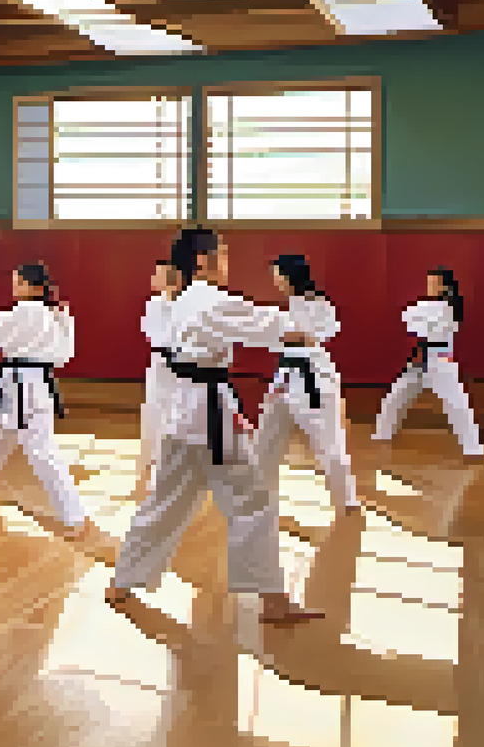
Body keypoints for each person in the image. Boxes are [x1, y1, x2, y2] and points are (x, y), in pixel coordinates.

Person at [106, 229, 323, 625]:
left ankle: (121, 582)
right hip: (209, 417)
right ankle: (272, 600)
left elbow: (252, 323)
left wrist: (290, 331)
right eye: (222, 253)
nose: (226, 261)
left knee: (164, 503)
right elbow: (264, 322)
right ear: (203, 260)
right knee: (253, 503)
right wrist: (304, 330)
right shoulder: (210, 300)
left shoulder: (183, 300)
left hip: (184, 413)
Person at [0, 263, 86, 537]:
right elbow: (66, 355)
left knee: (39, 450)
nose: (15, 287)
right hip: (35, 383)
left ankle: (74, 516)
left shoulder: (23, 311)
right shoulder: (57, 315)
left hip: (19, 384)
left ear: (35, 287)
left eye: (19, 283)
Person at [252, 255, 359, 515]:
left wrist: (290, 336)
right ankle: (260, 496)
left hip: (313, 376)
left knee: (328, 443)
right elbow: (278, 339)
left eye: (278, 274)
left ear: (290, 275)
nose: (275, 280)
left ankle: (347, 500)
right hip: (284, 376)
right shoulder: (285, 309)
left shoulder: (319, 304)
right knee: (266, 440)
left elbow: (319, 335)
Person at [371, 267, 483, 456]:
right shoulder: (430, 306)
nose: (430, 286)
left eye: (434, 283)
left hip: (441, 359)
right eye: (429, 282)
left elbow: (419, 324)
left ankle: (473, 447)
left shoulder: (450, 307)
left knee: (457, 403)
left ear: (444, 286)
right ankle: (383, 433)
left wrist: (421, 320)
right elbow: (407, 318)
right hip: (420, 358)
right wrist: (422, 320)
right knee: (395, 396)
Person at [132, 260, 182, 504]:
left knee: (175, 416)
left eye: (158, 274)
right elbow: (150, 333)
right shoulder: (153, 303)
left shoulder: (186, 304)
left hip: (182, 364)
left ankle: (170, 474)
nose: (153, 278)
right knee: (153, 414)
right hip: (159, 363)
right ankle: (147, 470)